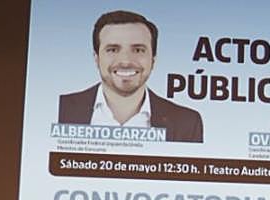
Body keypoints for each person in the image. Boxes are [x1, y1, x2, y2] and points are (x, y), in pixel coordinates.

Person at [58, 10, 203, 143]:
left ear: (153, 59)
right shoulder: (60, 108)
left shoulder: (187, 122)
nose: (126, 62)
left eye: (138, 50)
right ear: (96, 58)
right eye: (113, 49)